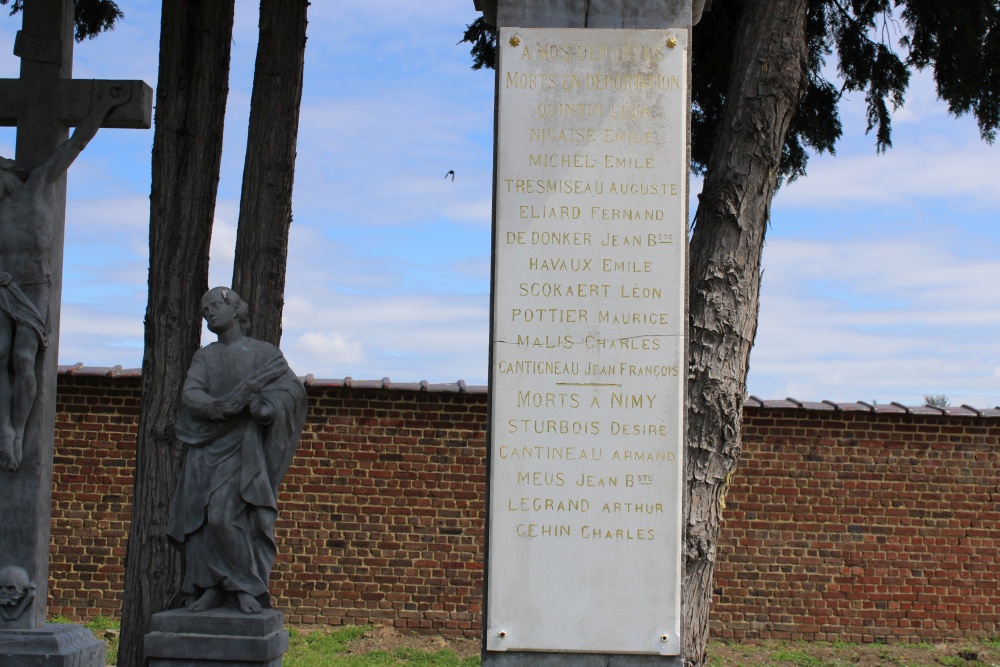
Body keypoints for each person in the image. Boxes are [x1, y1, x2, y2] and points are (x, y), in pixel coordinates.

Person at [0, 84, 130, 471]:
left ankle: (18, 430)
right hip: (4, 288)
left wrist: (104, 106)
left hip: (34, 287)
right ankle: (4, 430)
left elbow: (74, 145)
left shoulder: (38, 185)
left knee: (24, 358)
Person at [166, 287, 307, 614]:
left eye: (214, 306)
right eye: (204, 311)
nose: (209, 314)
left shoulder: (265, 356)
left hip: (242, 448)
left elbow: (290, 393)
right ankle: (211, 587)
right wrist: (220, 407)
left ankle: (247, 586)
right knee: (202, 520)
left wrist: (265, 410)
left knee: (223, 515)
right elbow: (191, 394)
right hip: (205, 447)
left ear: (234, 308)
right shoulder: (205, 356)